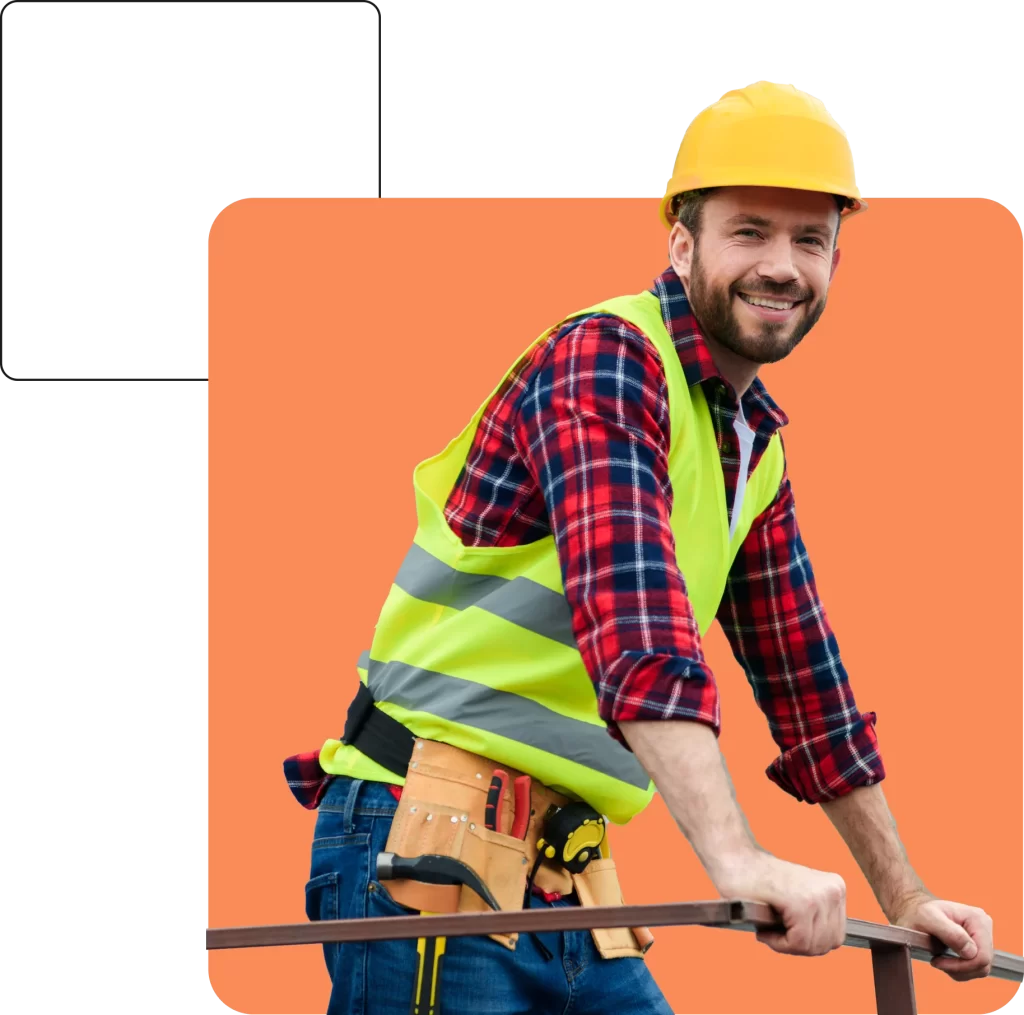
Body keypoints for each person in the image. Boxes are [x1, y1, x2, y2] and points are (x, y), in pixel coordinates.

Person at [283, 81, 994, 1014]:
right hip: (423, 836)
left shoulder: (752, 443)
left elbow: (810, 691)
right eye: (750, 231)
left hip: (565, 873)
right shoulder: (608, 359)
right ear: (682, 243)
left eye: (810, 240)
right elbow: (638, 628)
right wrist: (735, 858)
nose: (782, 265)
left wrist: (905, 893)